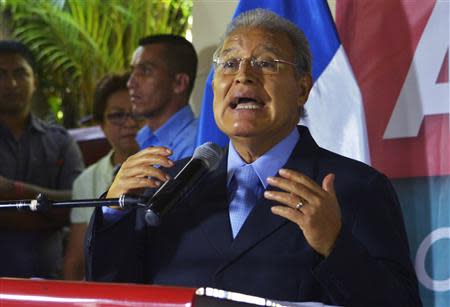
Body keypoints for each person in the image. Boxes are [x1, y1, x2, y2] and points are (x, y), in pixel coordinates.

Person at [85, 9, 422, 306]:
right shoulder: (168, 186)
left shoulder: (356, 188)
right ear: (214, 85)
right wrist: (114, 214)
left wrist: (336, 246)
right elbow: (112, 291)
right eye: (229, 63)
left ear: (302, 88)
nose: (243, 75)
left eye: (266, 63)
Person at [0, 40, 84, 278]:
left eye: (20, 73)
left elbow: (76, 204)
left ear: (34, 80)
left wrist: (12, 189)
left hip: (47, 284)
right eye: (1, 75)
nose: (11, 83)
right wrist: (46, 214)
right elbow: (60, 211)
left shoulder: (60, 142)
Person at [63, 73, 141, 280]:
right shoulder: (86, 180)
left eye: (136, 113)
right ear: (100, 124)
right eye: (117, 115)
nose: (129, 123)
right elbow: (77, 260)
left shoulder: (171, 164)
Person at [128, 34, 198, 159]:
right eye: (132, 71)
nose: (130, 83)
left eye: (146, 71)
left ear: (179, 83)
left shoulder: (196, 146)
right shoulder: (140, 139)